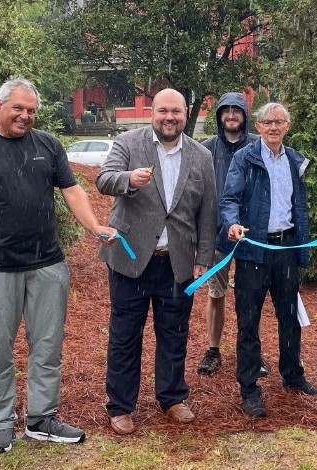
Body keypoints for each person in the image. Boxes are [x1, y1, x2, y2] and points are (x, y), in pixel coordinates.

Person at [0, 76, 117, 454]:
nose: (25, 116)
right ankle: (1, 423)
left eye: (31, 110)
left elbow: (72, 190)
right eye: (18, 108)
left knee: (47, 346)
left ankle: (41, 420)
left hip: (47, 264)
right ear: (0, 106)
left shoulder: (48, 146)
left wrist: (94, 226)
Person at [95, 89, 216, 435]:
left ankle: (172, 397)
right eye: (163, 110)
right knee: (124, 336)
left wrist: (203, 259)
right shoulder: (129, 143)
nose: (169, 117)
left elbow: (207, 212)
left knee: (174, 334)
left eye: (176, 112)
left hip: (177, 262)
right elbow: (104, 179)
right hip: (130, 260)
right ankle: (120, 406)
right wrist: (128, 180)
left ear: (186, 113)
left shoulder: (201, 156)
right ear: (152, 113)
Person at [219, 102, 317, 418]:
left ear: (287, 126)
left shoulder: (294, 161)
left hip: (287, 249)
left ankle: (293, 375)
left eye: (280, 121)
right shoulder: (245, 158)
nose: (274, 127)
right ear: (259, 127)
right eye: (268, 122)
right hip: (254, 250)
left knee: (289, 317)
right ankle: (249, 388)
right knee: (248, 321)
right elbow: (229, 200)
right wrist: (232, 224)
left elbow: (299, 206)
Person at [196, 91, 264, 378]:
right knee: (216, 293)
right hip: (216, 234)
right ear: (219, 115)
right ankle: (213, 350)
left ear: (245, 115)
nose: (231, 115)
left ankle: (252, 352)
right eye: (226, 110)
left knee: (252, 297)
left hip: (250, 234)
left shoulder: (258, 147)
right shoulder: (206, 149)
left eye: (237, 110)